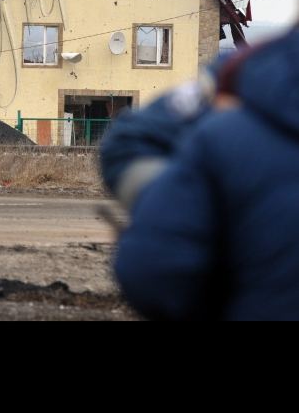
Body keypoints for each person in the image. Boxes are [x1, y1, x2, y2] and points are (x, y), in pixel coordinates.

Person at [100, 24, 299, 320]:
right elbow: (131, 139)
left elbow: (151, 275)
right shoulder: (241, 76)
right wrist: (172, 201)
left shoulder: (240, 97)